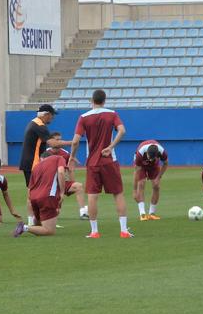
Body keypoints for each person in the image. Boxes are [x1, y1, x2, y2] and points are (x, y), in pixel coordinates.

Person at [69, 89, 133, 238]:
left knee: (92, 196)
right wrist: (111, 147)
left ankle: (94, 231)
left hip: (92, 162)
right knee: (118, 194)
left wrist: (72, 156)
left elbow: (75, 141)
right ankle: (123, 230)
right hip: (110, 160)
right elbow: (122, 131)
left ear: (92, 100)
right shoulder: (112, 114)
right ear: (104, 100)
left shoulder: (83, 117)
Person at [18, 104, 64, 226]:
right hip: (32, 164)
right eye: (52, 115)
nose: (52, 118)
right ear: (46, 115)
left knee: (39, 192)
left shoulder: (34, 123)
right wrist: (73, 142)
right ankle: (32, 222)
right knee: (33, 193)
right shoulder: (39, 125)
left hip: (32, 163)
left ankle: (40, 220)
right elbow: (53, 143)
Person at [13, 154, 66, 237]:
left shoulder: (36, 166)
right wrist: (62, 192)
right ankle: (24, 227)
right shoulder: (59, 158)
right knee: (49, 231)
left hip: (34, 197)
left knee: (39, 224)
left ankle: (31, 230)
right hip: (48, 197)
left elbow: (30, 188)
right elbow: (61, 172)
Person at [44, 132, 89, 220]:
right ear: (51, 141)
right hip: (49, 184)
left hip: (62, 183)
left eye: (60, 139)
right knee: (55, 212)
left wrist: (72, 182)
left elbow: (70, 168)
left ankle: (83, 213)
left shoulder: (65, 153)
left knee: (78, 186)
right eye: (57, 140)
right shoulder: (46, 153)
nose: (59, 141)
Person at [133, 140, 169, 220]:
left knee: (156, 186)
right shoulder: (140, 153)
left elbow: (166, 163)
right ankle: (142, 214)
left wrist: (158, 177)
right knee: (141, 183)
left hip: (154, 166)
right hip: (141, 165)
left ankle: (151, 213)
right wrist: (134, 191)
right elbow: (136, 171)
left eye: (152, 158)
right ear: (147, 153)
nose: (150, 160)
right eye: (149, 158)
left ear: (157, 156)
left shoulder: (162, 152)